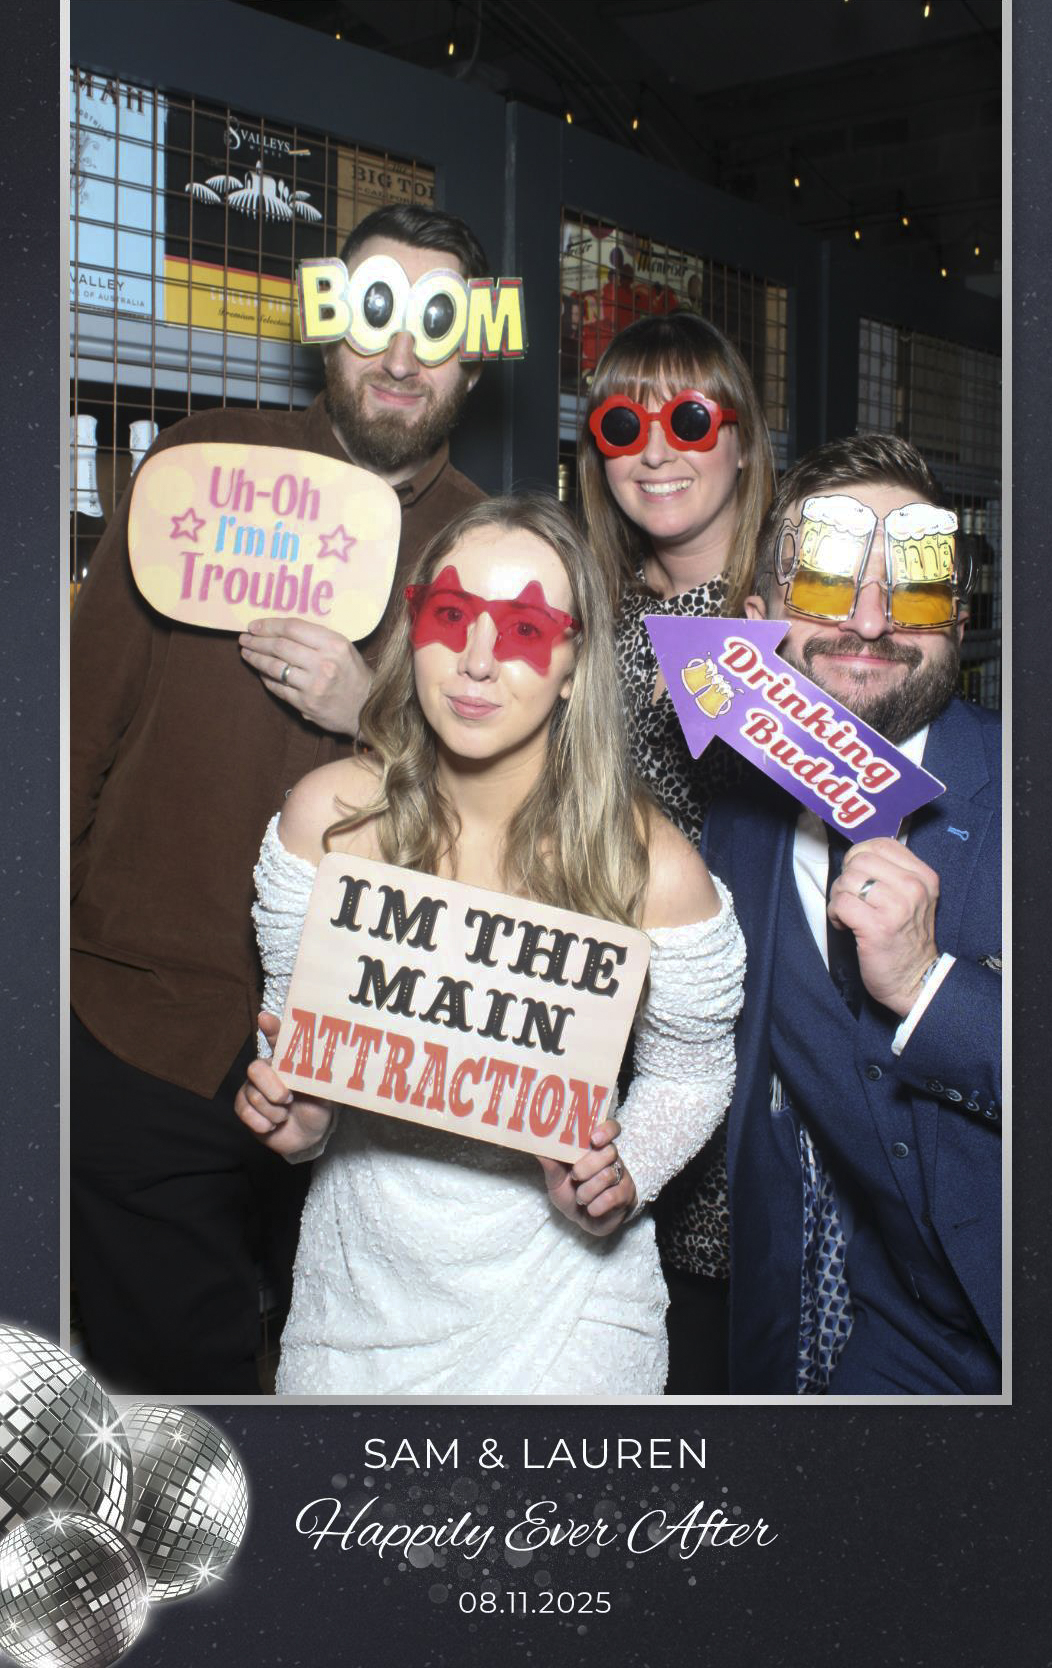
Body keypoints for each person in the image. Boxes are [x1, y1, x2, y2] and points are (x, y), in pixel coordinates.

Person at [71, 204, 491, 1394]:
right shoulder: (200, 469)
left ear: (475, 351)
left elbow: (523, 819)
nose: (402, 355)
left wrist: (378, 711)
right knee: (181, 1402)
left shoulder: (498, 546)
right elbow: (72, 735)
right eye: (373, 313)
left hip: (376, 1073)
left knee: (358, 1394)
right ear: (325, 327)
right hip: (140, 1030)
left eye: (437, 324)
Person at [235, 495, 747, 1395]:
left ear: (572, 660)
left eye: (520, 628)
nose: (475, 660)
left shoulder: (654, 867)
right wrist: (303, 1123)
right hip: (359, 1300)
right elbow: (304, 1047)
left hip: (571, 1305)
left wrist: (624, 1174)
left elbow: (695, 1070)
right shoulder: (327, 821)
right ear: (413, 626)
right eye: (450, 616)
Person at [702, 433, 1002, 1395]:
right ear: (758, 620)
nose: (869, 622)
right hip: (889, 1338)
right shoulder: (734, 828)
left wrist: (929, 988)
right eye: (828, 584)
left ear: (956, 622)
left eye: (910, 589)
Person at [577, 311, 774, 1392]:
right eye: (622, 421)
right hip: (592, 1034)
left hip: (752, 1047)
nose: (655, 449)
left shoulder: (811, 617)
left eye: (691, 416)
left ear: (743, 440)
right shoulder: (581, 613)